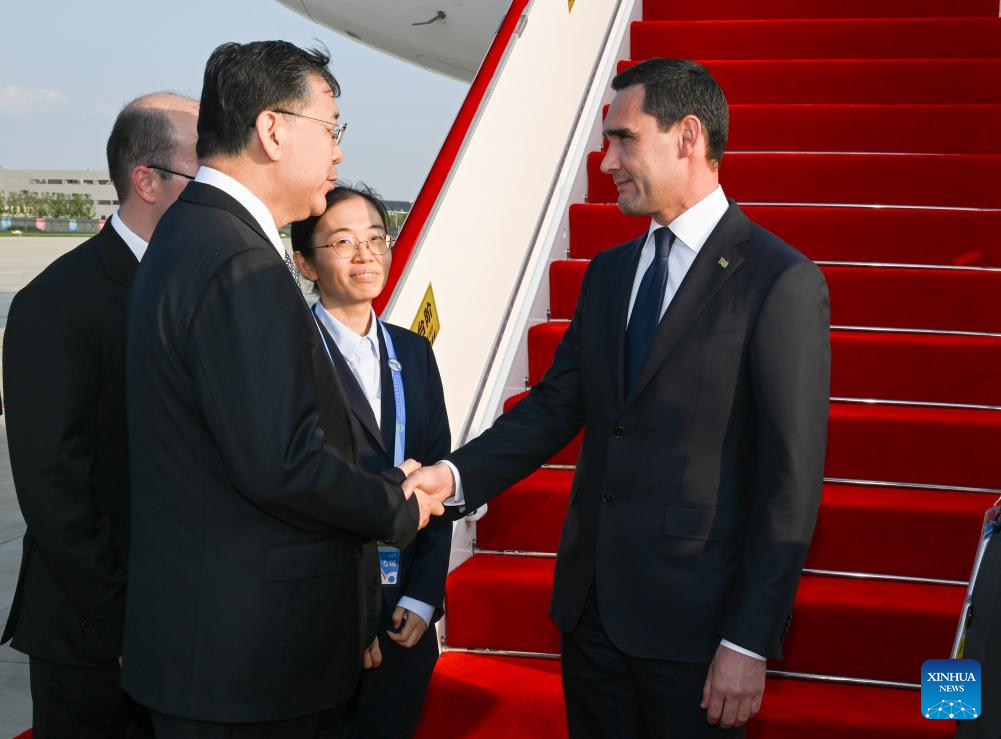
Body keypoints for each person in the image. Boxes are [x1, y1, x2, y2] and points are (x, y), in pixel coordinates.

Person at [405, 58, 831, 737]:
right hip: (591, 615)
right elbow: (552, 408)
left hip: (696, 631)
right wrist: (450, 477)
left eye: (623, 138)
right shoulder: (608, 274)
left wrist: (747, 640)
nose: (605, 161)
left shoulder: (778, 280)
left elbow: (790, 479)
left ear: (686, 136)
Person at [121, 41, 443, 739]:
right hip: (249, 665)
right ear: (272, 130)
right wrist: (395, 501)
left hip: (208, 651)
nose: (335, 153)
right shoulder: (242, 261)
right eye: (331, 129)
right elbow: (281, 462)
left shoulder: (190, 234)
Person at [2, 92, 199, 738]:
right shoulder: (56, 303)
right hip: (95, 638)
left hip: (193, 628)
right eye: (206, 172)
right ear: (146, 180)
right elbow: (55, 487)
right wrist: (123, 620)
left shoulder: (204, 289)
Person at [291, 184, 452, 738]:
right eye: (342, 242)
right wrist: (350, 618)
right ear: (305, 263)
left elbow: (439, 479)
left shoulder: (413, 352)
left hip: (403, 613)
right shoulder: (289, 353)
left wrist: (424, 594)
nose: (365, 255)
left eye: (375, 238)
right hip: (322, 620)